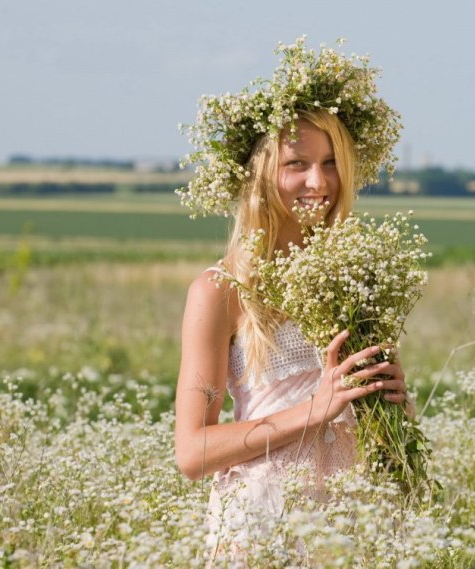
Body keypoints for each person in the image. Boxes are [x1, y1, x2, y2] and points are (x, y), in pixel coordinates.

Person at [172, 38, 410, 553]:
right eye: (297, 164)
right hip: (265, 523)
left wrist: (396, 403)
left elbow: (376, 430)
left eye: (331, 162)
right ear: (260, 175)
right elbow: (192, 453)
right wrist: (314, 409)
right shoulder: (220, 291)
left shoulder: (356, 279)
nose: (318, 181)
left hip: (356, 520)